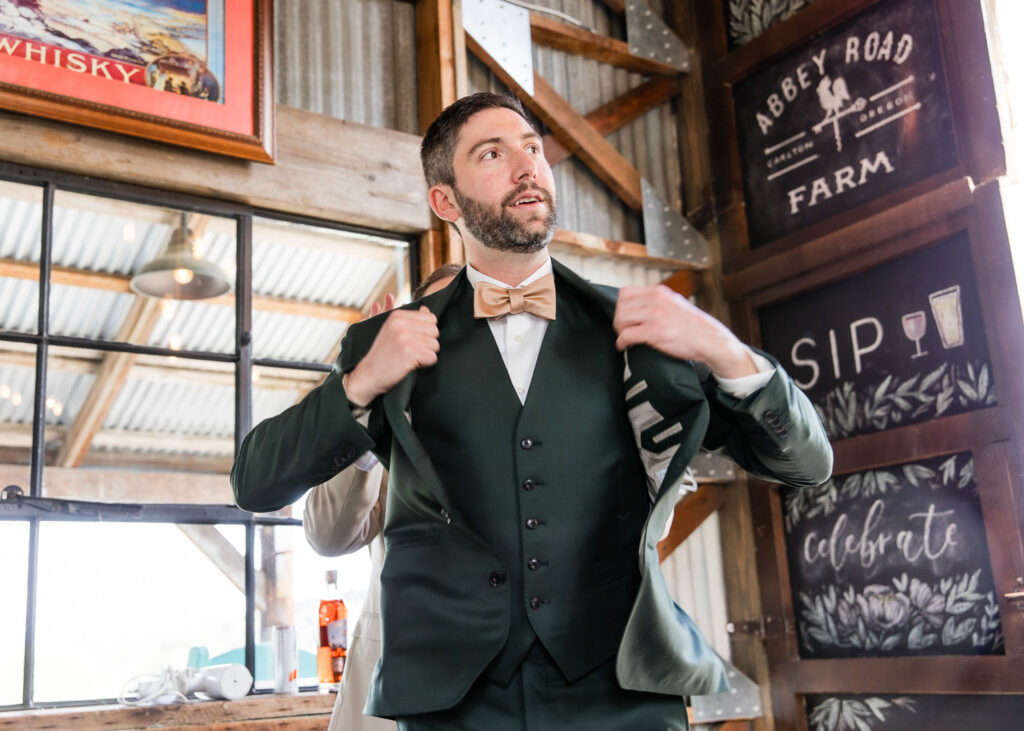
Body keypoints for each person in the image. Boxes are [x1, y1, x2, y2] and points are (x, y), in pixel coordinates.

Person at [232, 92, 832, 730]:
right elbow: (255, 484)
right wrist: (357, 385)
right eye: (492, 154)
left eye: (533, 149)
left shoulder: (637, 326)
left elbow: (806, 463)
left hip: (622, 695)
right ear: (446, 201)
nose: (526, 168)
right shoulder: (386, 345)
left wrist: (725, 348)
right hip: (451, 705)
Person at [303, 265, 462, 731]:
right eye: (437, 318)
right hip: (393, 684)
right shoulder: (394, 423)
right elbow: (327, 536)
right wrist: (372, 414)